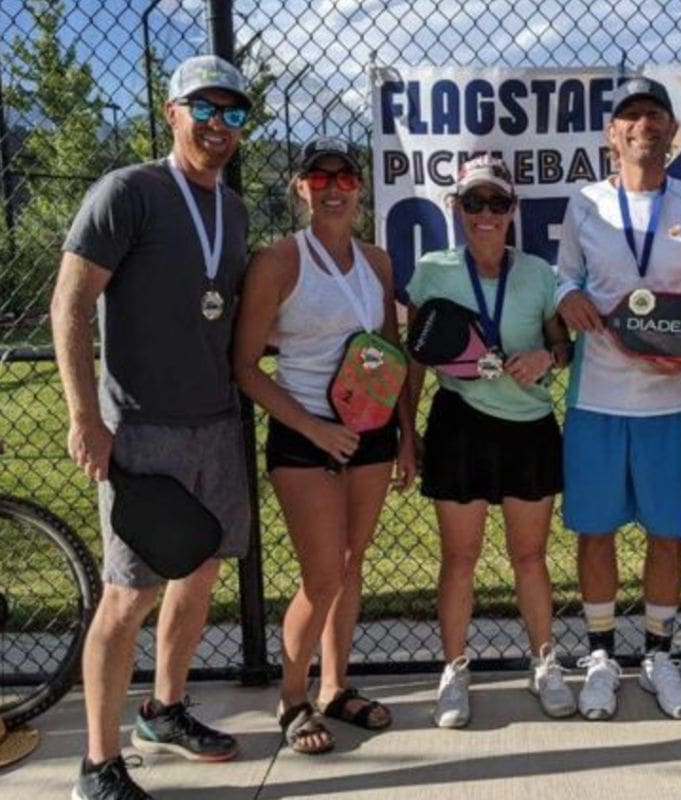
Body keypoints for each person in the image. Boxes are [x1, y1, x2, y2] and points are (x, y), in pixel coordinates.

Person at [51, 55, 254, 800]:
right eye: (204, 108)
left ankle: (165, 710)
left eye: (233, 113)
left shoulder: (232, 208)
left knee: (198, 573)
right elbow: (69, 306)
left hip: (216, 423)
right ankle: (96, 765)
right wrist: (84, 416)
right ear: (172, 112)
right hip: (140, 429)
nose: (218, 126)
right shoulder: (126, 192)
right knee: (127, 594)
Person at [555, 77, 681, 721]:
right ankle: (601, 654)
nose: (642, 126)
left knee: (667, 534)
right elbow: (564, 275)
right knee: (595, 531)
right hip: (597, 399)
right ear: (612, 134)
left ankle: (660, 653)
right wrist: (561, 297)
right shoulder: (583, 204)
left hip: (670, 403)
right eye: (629, 116)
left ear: (671, 129)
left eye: (653, 115)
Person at [232, 137, 417, 754]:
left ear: (360, 189)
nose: (334, 188)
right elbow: (246, 368)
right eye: (319, 177)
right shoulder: (279, 263)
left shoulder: (379, 263)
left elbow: (392, 357)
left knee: (350, 564)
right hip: (305, 437)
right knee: (322, 574)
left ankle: (336, 687)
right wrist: (314, 429)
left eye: (345, 177)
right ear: (300, 188)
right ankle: (292, 695)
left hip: (371, 436)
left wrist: (406, 436)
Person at [406, 155, 576, 728]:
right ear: (456, 208)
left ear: (512, 211)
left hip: (529, 429)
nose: (485, 214)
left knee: (529, 557)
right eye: (473, 202)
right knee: (460, 558)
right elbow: (415, 355)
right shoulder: (430, 271)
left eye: (496, 203)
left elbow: (565, 347)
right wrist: (408, 432)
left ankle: (544, 662)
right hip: (459, 422)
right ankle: (455, 671)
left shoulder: (539, 273)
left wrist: (545, 356)